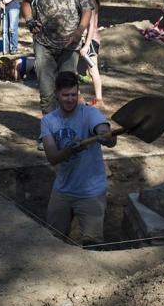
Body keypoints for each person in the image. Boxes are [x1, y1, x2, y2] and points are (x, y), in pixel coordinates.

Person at [40, 71, 116, 245]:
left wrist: (105, 134)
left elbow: (107, 135)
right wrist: (71, 151)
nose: (70, 99)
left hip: (91, 192)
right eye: (65, 95)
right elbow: (52, 157)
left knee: (93, 243)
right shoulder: (48, 121)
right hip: (62, 190)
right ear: (57, 94)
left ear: (78, 93)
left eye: (74, 94)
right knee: (53, 239)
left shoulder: (90, 113)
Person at [20, 0, 94, 121]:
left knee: (68, 91)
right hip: (43, 43)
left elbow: (87, 10)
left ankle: (68, 127)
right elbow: (26, 1)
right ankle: (49, 129)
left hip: (70, 45)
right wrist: (29, 20)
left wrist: (79, 32)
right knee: (46, 91)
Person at [79, 0, 104, 108]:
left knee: (93, 71)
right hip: (86, 40)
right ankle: (79, 99)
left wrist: (87, 45)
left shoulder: (90, 2)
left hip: (90, 41)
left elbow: (92, 25)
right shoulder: (87, 1)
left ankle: (99, 100)